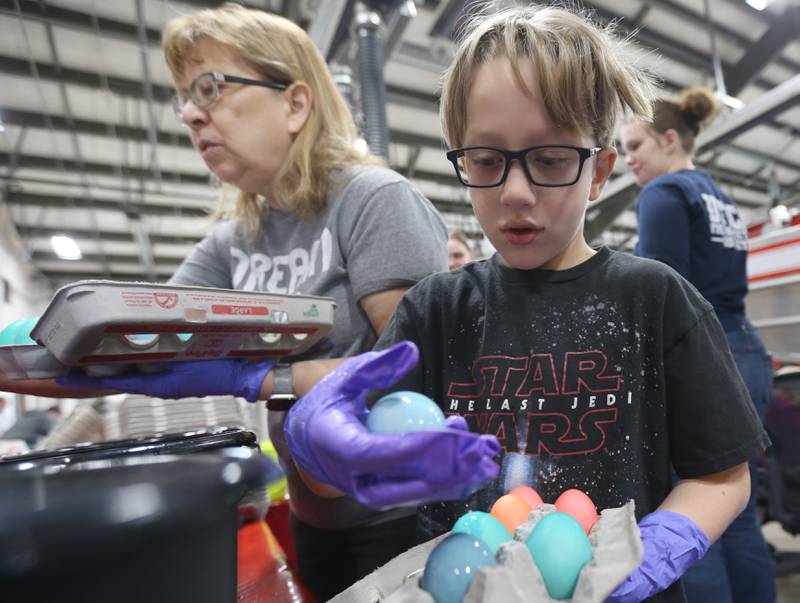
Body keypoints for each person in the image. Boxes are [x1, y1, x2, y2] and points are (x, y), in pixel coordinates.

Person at [279, 6, 770, 602]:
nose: (515, 192)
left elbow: (723, 472)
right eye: (486, 161)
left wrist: (668, 540)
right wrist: (317, 446)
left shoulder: (655, 298)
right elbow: (341, 479)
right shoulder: (436, 311)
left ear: (599, 171)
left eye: (551, 160)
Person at [57, 4, 497, 600]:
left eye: (210, 87)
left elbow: (416, 370)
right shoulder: (233, 241)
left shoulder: (371, 201)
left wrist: (265, 379)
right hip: (315, 515)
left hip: (398, 519)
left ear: (295, 103)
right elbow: (139, 333)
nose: (190, 114)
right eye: (183, 97)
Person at [621, 88, 777, 603]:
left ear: (669, 139)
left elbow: (663, 294)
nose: (629, 159)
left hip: (704, 354)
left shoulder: (664, 194)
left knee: (694, 514)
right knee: (734, 506)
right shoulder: (718, 195)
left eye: (635, 145)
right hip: (746, 345)